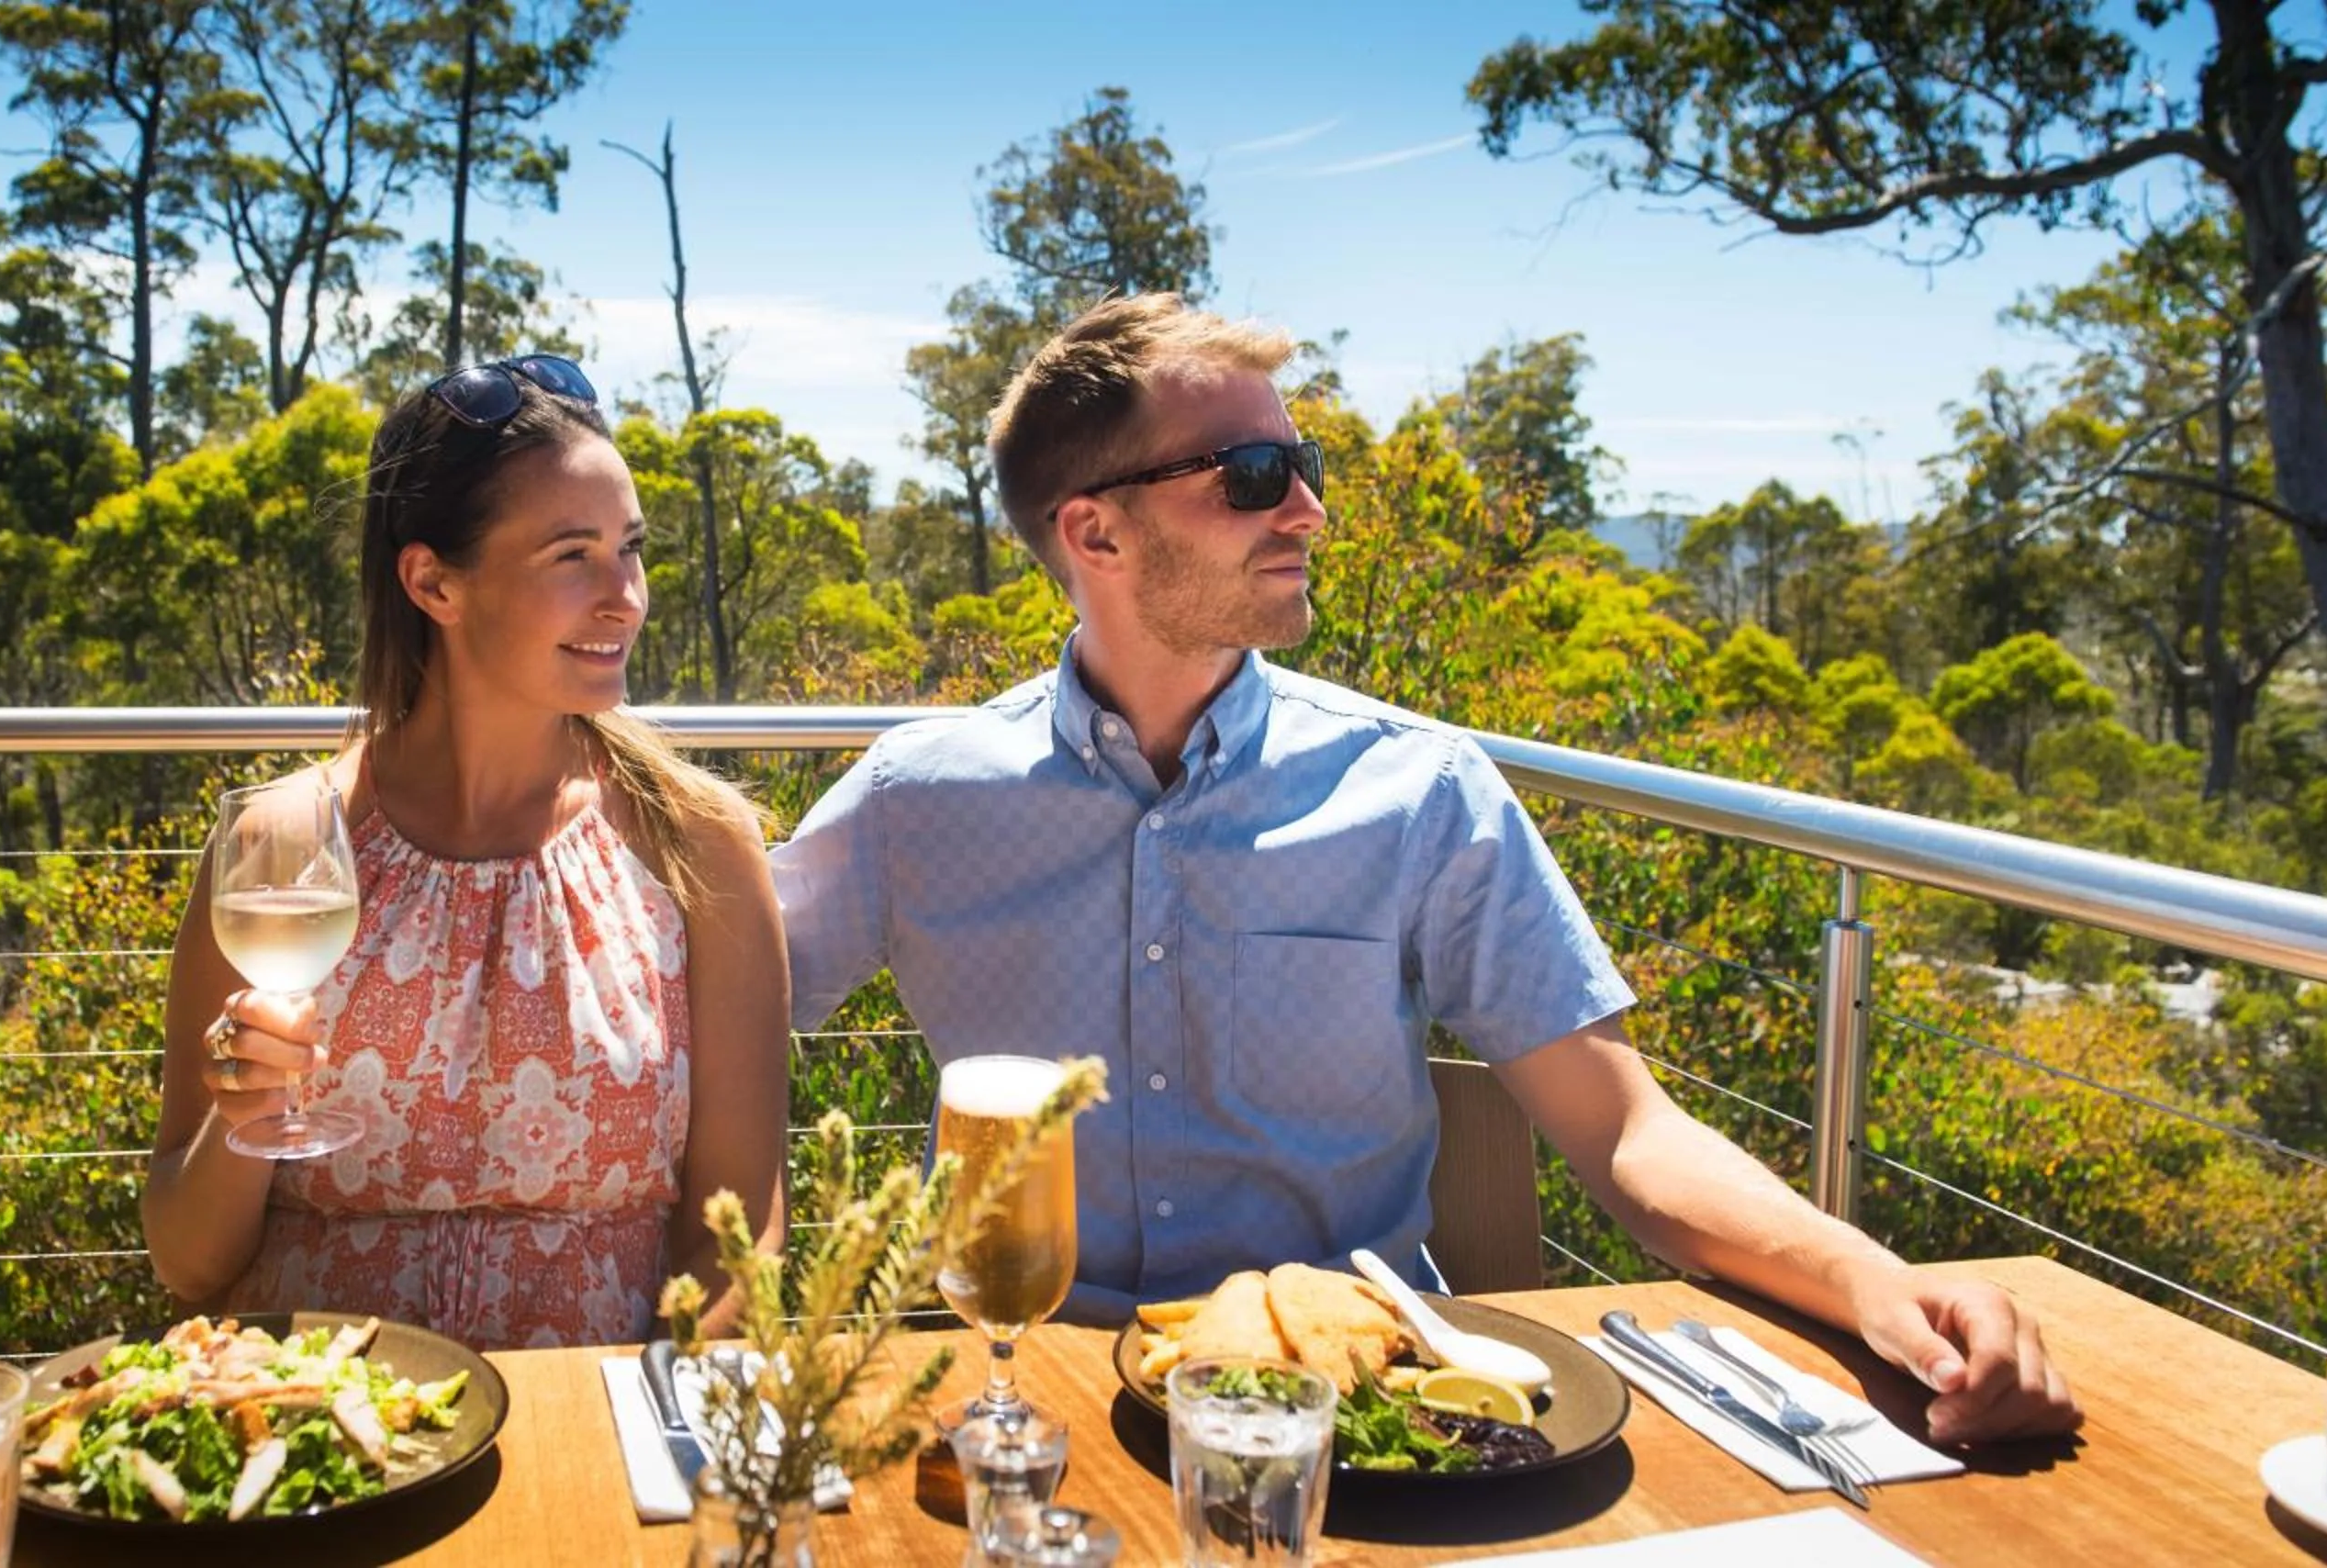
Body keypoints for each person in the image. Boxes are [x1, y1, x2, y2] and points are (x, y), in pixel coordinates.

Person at [772, 296, 2080, 1443]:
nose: (1309, 507)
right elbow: (691, 1043)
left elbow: (1624, 1130)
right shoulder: (916, 800)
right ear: (1095, 536)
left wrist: (1872, 1280)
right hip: (1031, 1402)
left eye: (1305, 463)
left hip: (1378, 1417)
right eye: (1252, 471)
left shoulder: (1420, 790)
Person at [145, 355, 789, 1349]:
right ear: (432, 580)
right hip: (328, 1435)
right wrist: (248, 1111)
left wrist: (639, 1423)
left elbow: (740, 1238)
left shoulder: (696, 845)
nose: (626, 597)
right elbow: (188, 1264)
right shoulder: (280, 848)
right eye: (573, 556)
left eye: (632, 548)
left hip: (598, 1425)